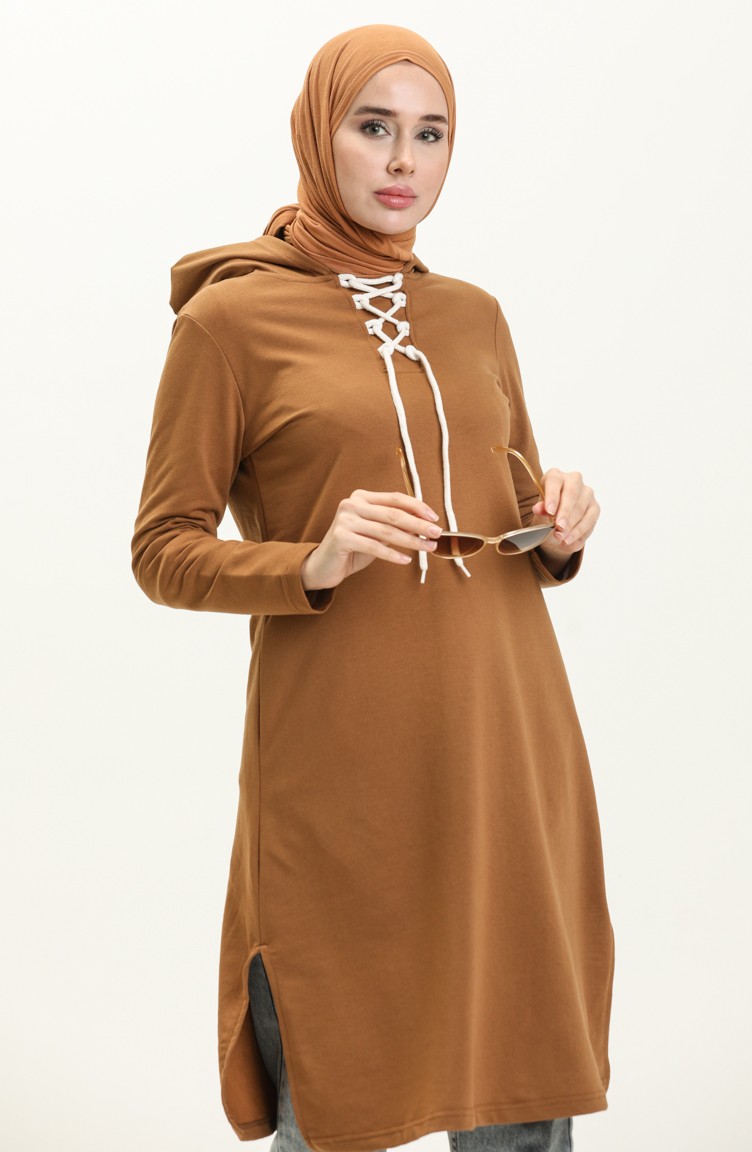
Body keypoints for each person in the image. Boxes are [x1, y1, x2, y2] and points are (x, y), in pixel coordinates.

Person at [131, 23, 615, 1152]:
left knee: (517, 1071)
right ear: (319, 135)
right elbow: (162, 549)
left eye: (430, 134)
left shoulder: (474, 315)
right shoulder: (228, 321)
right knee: (341, 1078)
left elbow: (503, 493)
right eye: (373, 127)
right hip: (342, 769)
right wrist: (310, 559)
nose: (403, 160)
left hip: (504, 746)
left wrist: (557, 523)